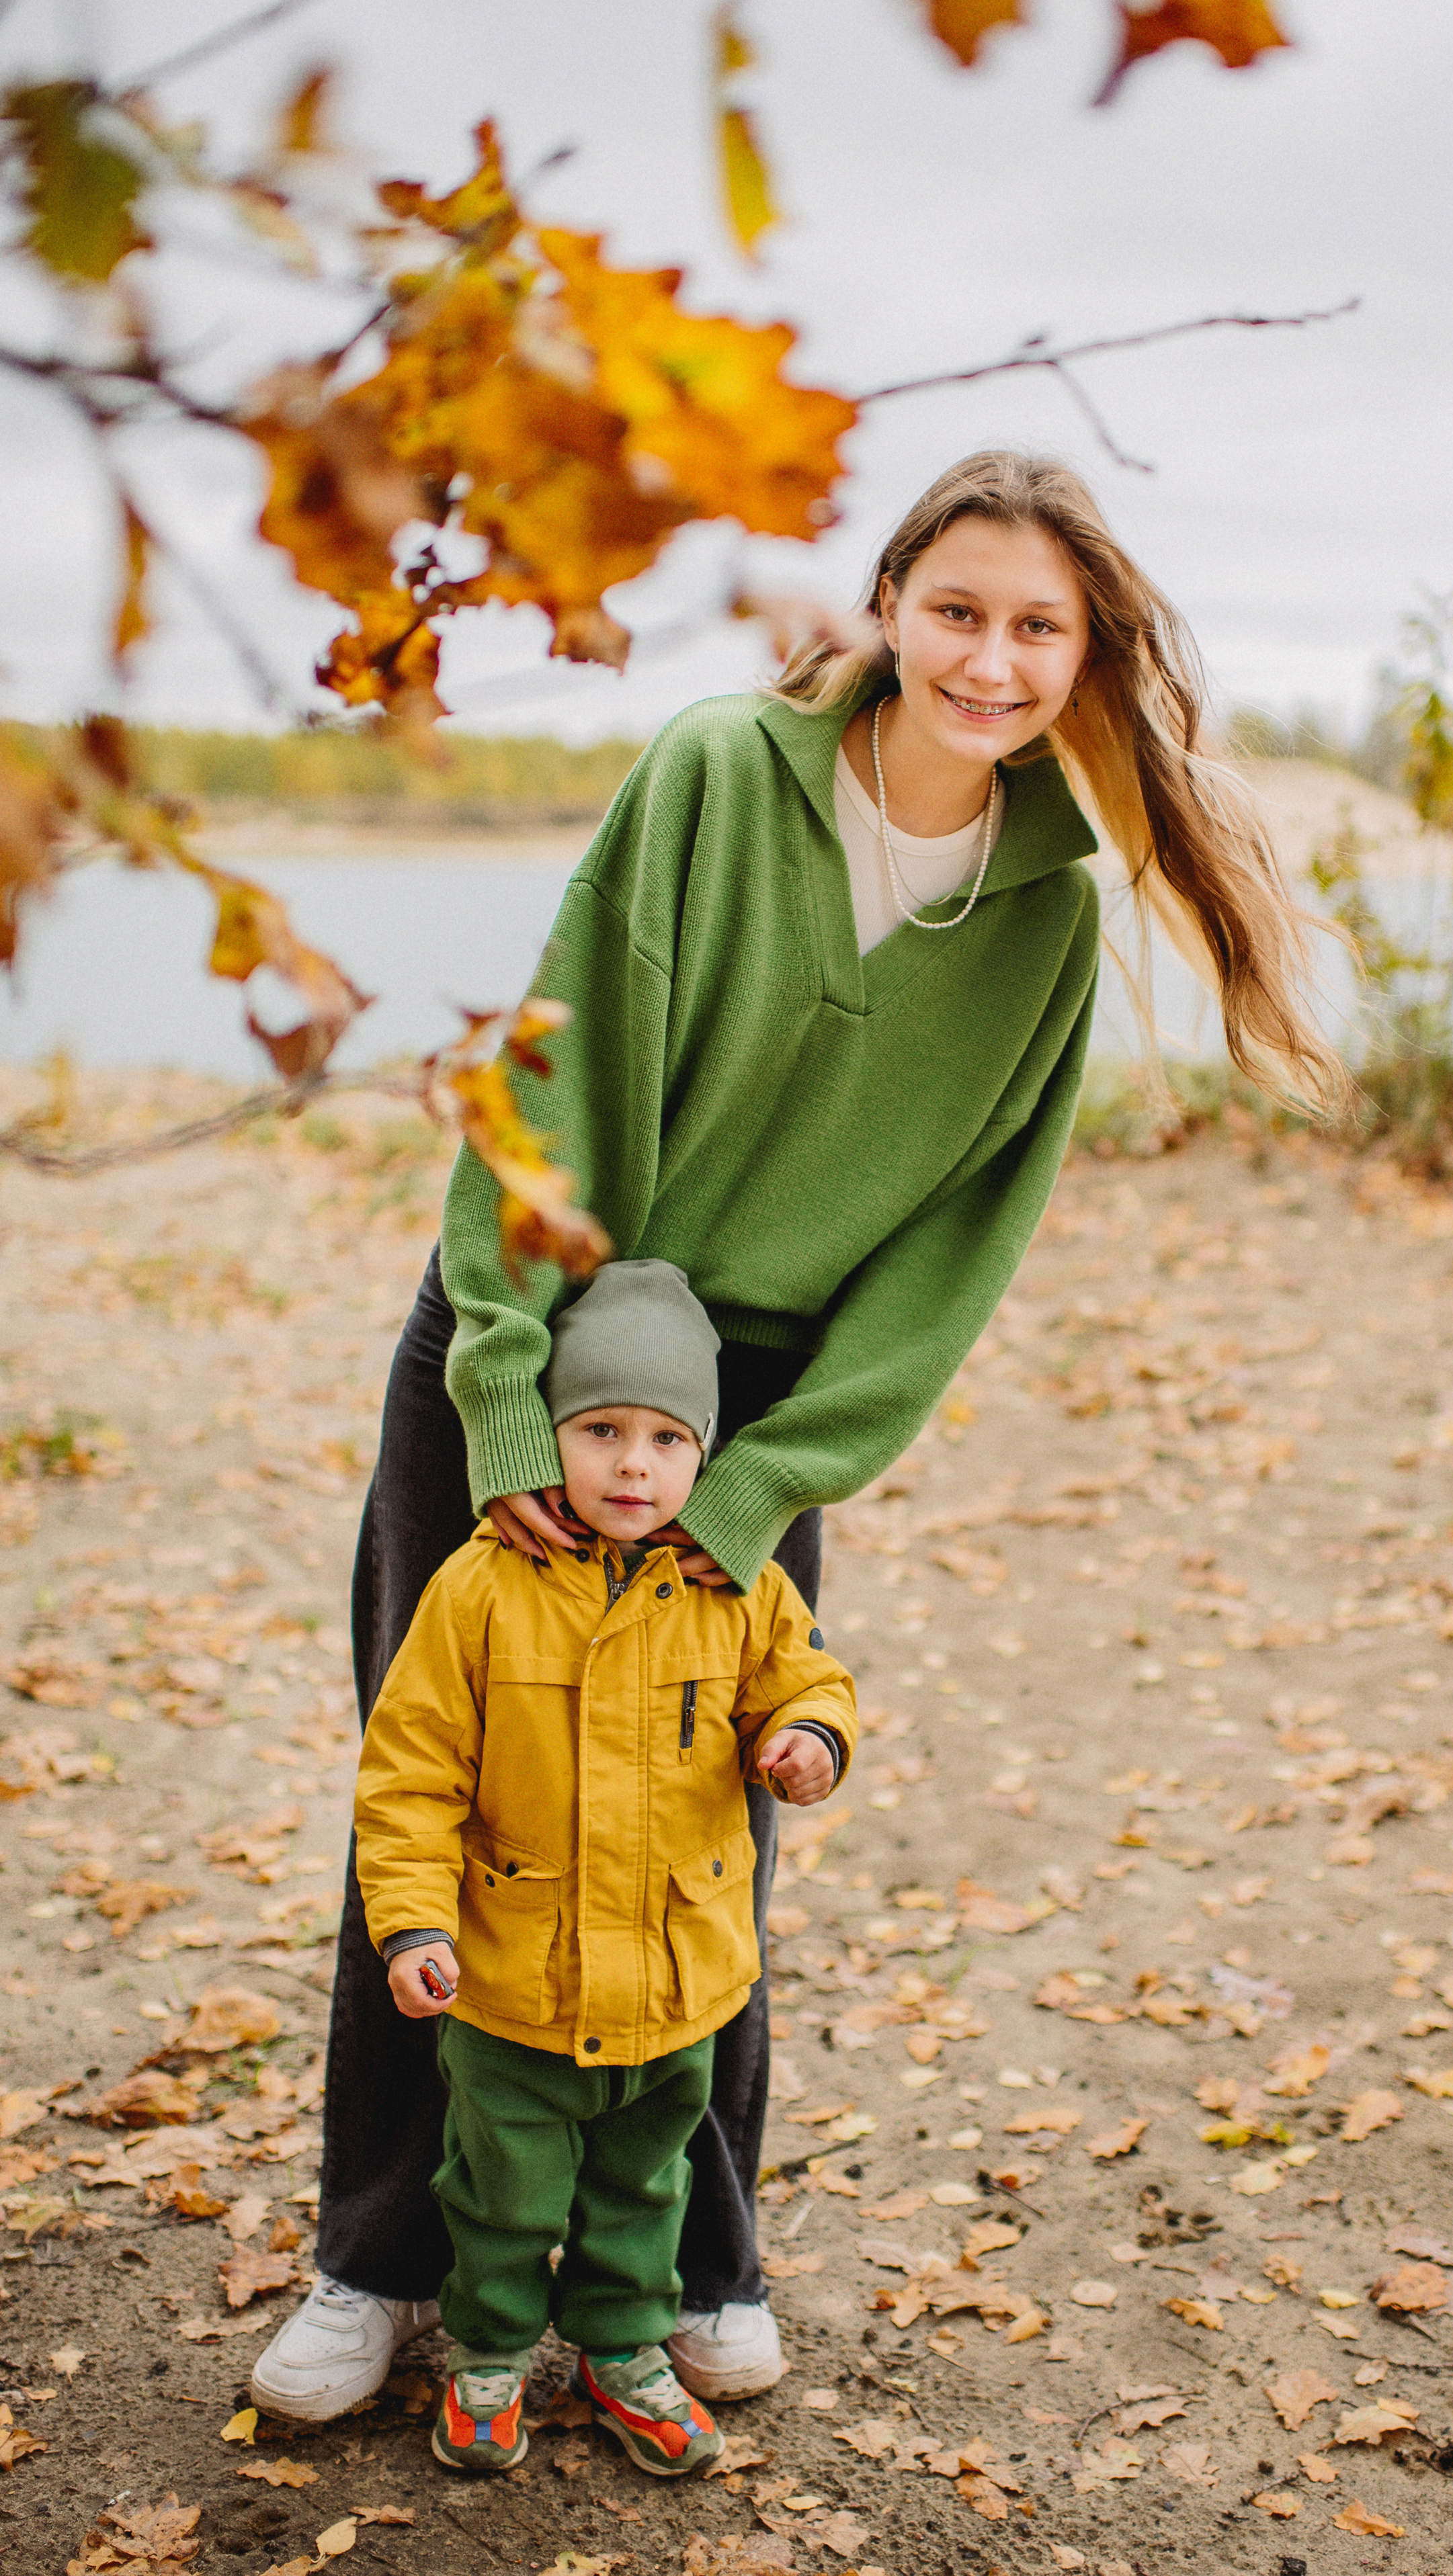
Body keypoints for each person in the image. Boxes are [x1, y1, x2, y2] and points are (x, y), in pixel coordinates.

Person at [252, 447, 1346, 2425]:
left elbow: (947, 1263)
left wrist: (749, 1484)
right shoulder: (712, 777)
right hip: (531, 1333)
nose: (991, 660)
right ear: (891, 606)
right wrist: (514, 1393)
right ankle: (377, 2254)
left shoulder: (1045, 922)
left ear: (1084, 657)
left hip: (749, 1414)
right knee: (447, 1791)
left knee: (706, 1828)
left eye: (1039, 627)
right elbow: (551, 1085)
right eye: (959, 610)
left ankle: (683, 2264)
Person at [353, 1259, 856, 2477]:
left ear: (705, 1454)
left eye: (668, 1438)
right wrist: (416, 1928)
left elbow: (810, 1679)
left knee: (646, 2186)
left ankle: (627, 2345)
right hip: (515, 1973)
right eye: (601, 1430)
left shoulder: (737, 1585)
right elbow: (410, 1771)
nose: (635, 1465)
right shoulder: (479, 1587)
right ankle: (485, 2351)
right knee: (502, 2188)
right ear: (550, 1433)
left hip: (677, 1979)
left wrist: (807, 1741)